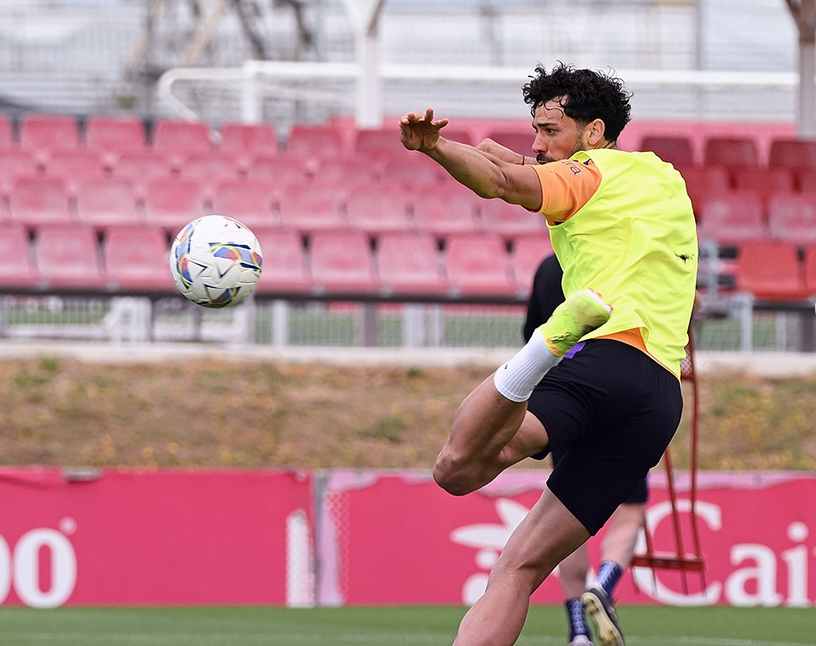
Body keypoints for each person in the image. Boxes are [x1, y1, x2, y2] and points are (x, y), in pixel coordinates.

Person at [398, 62, 697, 646]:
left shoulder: (587, 176)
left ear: (594, 132)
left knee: (456, 469)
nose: (537, 143)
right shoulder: (661, 176)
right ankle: (553, 342)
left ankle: (546, 343)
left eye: (550, 130)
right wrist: (481, 148)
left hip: (606, 357)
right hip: (659, 398)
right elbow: (512, 164)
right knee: (518, 568)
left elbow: (503, 183)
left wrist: (434, 149)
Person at [525, 253, 648, 646]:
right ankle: (605, 586)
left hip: (565, 402)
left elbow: (533, 336)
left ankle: (578, 630)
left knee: (566, 516)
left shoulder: (547, 268)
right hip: (620, 394)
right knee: (630, 510)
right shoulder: (618, 258)